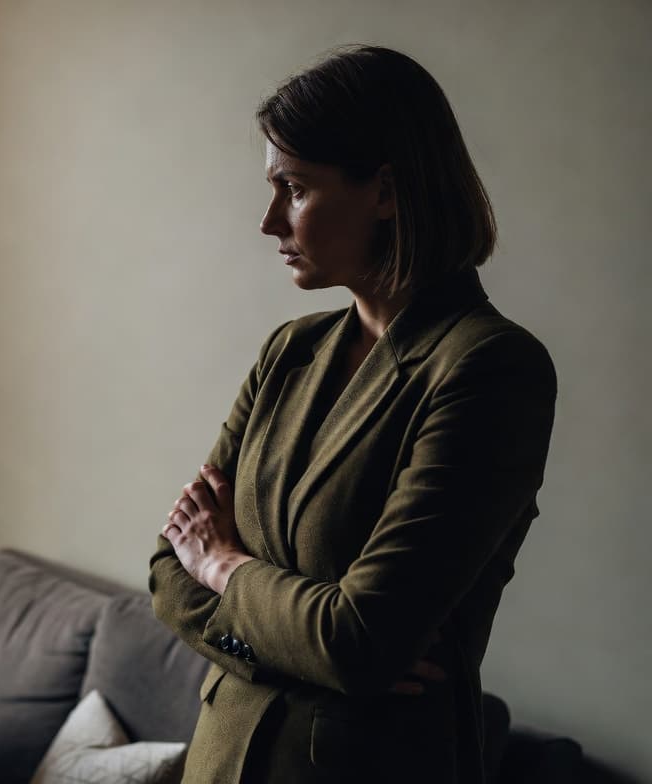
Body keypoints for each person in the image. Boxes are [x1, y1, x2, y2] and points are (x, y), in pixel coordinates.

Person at [150, 45, 556, 783]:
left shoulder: (490, 368)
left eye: (295, 189)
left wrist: (223, 563)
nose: (270, 220)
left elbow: (362, 640)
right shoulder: (289, 352)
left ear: (387, 192)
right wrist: (302, 639)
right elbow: (165, 576)